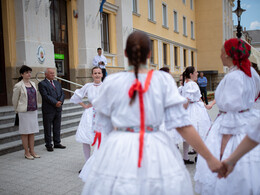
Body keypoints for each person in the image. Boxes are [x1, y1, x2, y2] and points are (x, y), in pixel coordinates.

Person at [81, 31, 225, 194]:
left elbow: (103, 127)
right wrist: (210, 158)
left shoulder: (112, 82)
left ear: (126, 53)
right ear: (149, 53)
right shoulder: (162, 80)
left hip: (120, 147)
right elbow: (183, 125)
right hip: (155, 147)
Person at [194, 38, 260, 195]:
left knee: (226, 182)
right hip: (249, 123)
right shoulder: (252, 74)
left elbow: (232, 118)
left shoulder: (234, 77)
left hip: (231, 131)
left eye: (221, 51)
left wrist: (222, 153)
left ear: (228, 55)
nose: (220, 55)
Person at [70, 67, 103, 162]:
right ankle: (87, 162)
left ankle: (98, 162)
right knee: (86, 139)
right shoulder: (88, 86)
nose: (97, 75)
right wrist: (84, 105)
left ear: (102, 74)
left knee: (100, 139)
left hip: (101, 115)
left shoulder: (106, 86)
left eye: (99, 73)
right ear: (92, 75)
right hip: (89, 115)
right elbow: (76, 96)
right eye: (95, 73)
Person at [181, 66, 212, 164]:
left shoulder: (188, 84)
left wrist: (205, 105)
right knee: (198, 131)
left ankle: (186, 157)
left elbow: (197, 98)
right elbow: (188, 99)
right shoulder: (192, 85)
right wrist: (183, 110)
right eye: (196, 72)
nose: (197, 74)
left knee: (189, 134)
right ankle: (198, 156)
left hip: (193, 107)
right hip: (194, 109)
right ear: (191, 74)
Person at [12, 65, 40, 160]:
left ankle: (32, 151)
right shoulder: (18, 85)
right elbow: (15, 100)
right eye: (27, 72)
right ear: (22, 74)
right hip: (24, 112)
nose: (29, 74)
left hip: (33, 111)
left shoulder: (33, 83)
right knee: (25, 132)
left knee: (32, 132)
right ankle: (26, 152)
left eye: (30, 72)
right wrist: (16, 110)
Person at [38, 68, 65, 152]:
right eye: (51, 73)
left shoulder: (57, 83)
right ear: (46, 74)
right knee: (48, 128)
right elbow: (45, 96)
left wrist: (60, 101)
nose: (53, 75)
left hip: (58, 108)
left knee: (57, 126)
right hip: (49, 109)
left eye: (53, 73)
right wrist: (55, 102)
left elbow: (62, 93)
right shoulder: (42, 84)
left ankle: (57, 143)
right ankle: (48, 144)